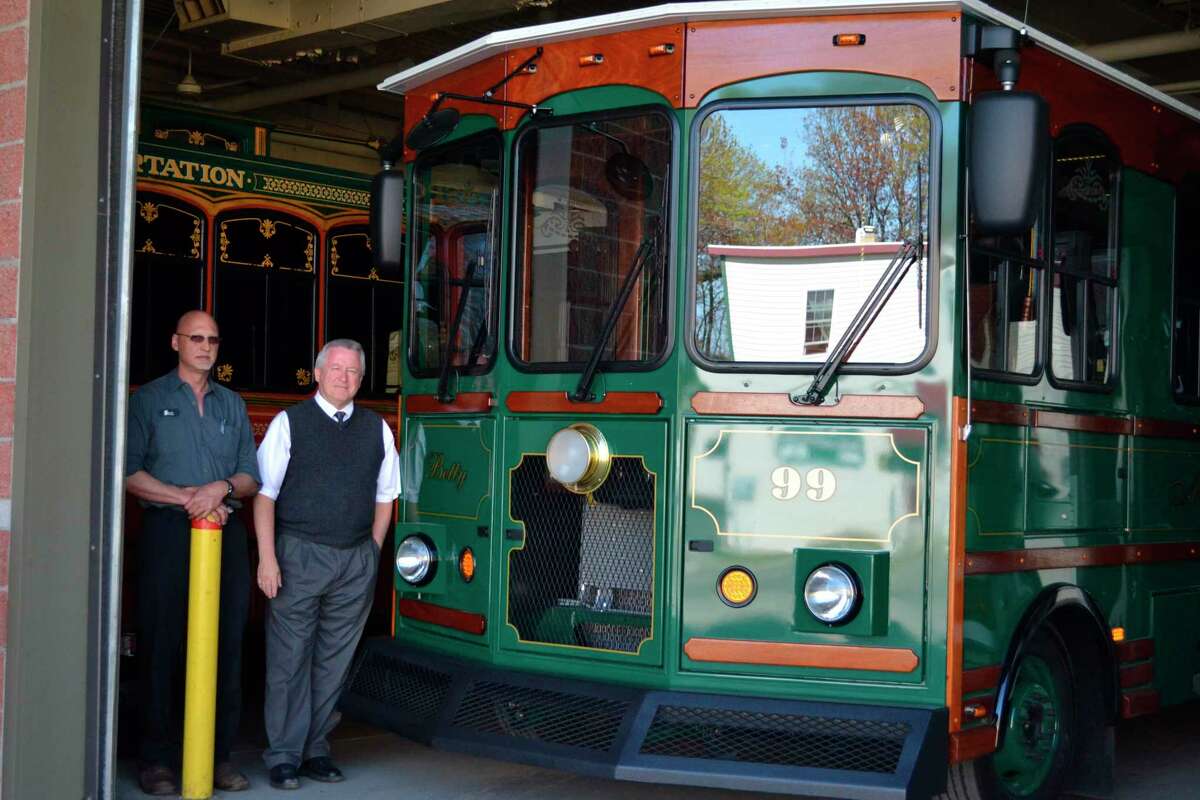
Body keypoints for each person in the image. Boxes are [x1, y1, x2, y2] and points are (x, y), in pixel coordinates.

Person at [254, 338, 400, 790]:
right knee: (289, 658)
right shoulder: (289, 423)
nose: (344, 377)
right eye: (336, 368)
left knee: (334, 661)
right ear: (317, 374)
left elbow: (386, 496)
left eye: (353, 371)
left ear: (361, 378)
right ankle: (284, 755)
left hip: (355, 559)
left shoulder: (377, 428)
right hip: (299, 555)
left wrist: (373, 550)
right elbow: (264, 496)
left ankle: (315, 749)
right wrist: (267, 558)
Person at [125, 310, 261, 795]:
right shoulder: (148, 400)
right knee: (163, 643)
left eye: (213, 340)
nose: (205, 347)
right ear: (175, 342)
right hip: (167, 533)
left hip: (225, 534)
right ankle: (156, 760)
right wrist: (190, 498)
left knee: (226, 644)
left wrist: (220, 489)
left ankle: (217, 757)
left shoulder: (232, 404)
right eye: (196, 338)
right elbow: (128, 473)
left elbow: (250, 476)